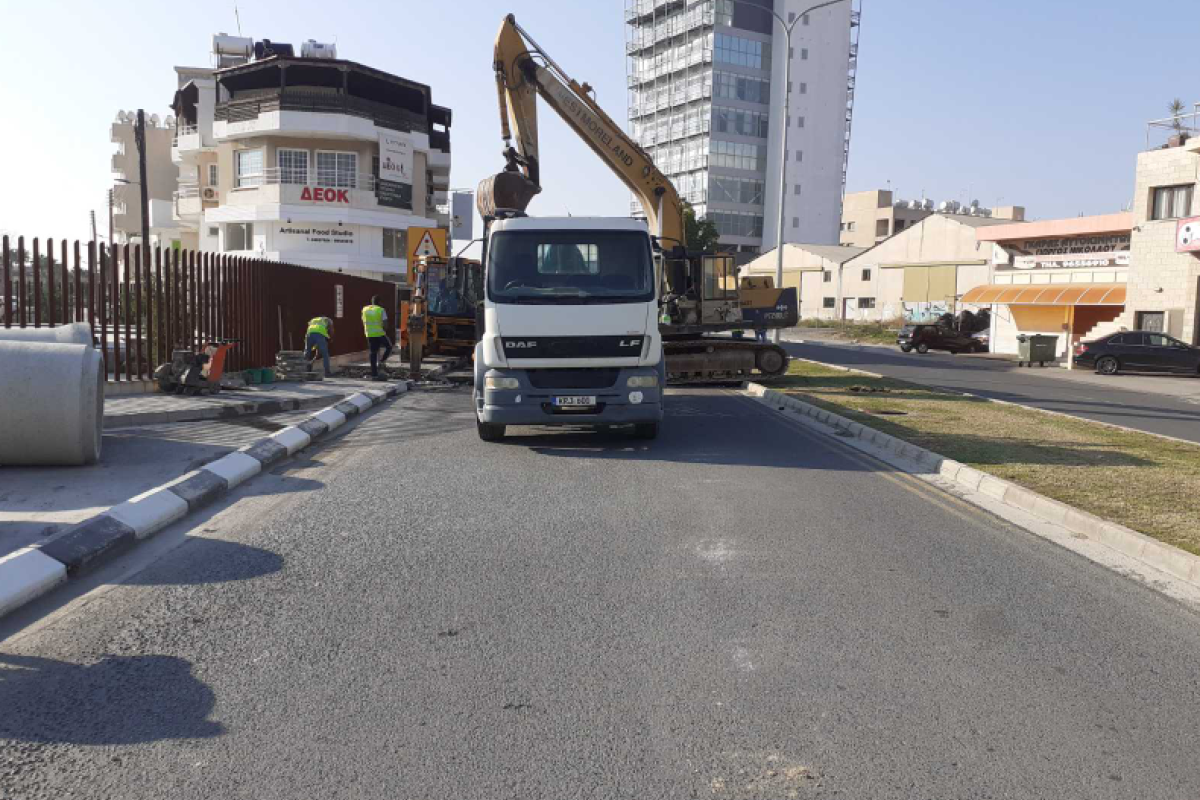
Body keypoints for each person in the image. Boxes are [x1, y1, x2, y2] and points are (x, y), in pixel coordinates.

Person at [362, 295, 393, 381]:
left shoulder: (365, 309)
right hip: (379, 333)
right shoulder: (381, 310)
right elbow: (385, 324)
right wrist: (385, 330)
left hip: (369, 333)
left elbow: (364, 321)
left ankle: (374, 374)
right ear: (379, 302)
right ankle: (382, 361)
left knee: (373, 353)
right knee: (389, 346)